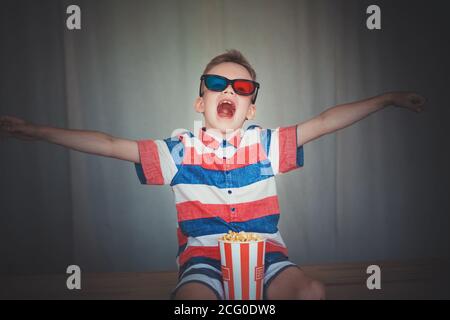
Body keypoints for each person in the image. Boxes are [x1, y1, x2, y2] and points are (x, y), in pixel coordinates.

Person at [0, 49, 426, 300]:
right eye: (217, 83)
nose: (228, 91)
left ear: (251, 108)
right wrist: (40, 132)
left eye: (241, 88)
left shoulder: (266, 144)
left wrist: (386, 98)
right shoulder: (177, 152)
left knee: (311, 292)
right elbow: (110, 143)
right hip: (203, 262)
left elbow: (326, 120)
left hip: (267, 259)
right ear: (199, 102)